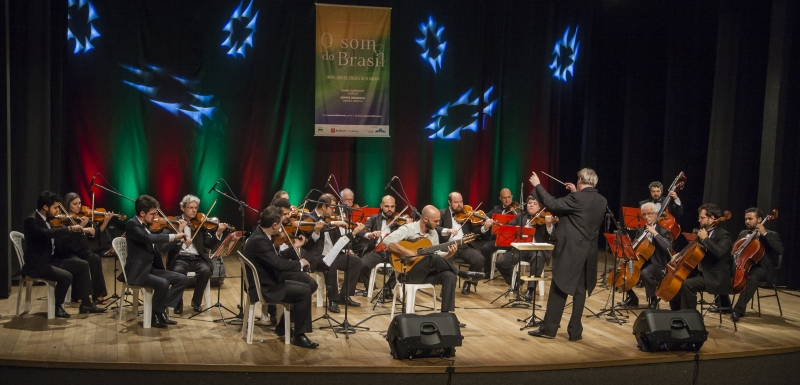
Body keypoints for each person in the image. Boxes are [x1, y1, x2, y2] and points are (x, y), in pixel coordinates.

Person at [526, 169, 607, 341]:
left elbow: (553, 204)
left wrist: (537, 185)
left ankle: (549, 329)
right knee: (579, 292)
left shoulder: (577, 198)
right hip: (588, 252)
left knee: (558, 286)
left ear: (579, 180)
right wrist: (575, 194)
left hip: (571, 251)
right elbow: (582, 210)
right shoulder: (602, 200)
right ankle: (575, 331)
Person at [383, 205, 484, 317]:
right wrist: (407, 252)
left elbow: (437, 256)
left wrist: (448, 254)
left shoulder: (433, 233)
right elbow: (388, 240)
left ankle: (446, 316)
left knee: (449, 275)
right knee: (431, 258)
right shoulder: (408, 229)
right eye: (435, 221)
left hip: (426, 274)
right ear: (425, 219)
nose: (438, 223)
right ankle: (462, 273)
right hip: (408, 274)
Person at [243, 206, 318, 348]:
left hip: (269, 276)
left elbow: (276, 259)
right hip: (266, 286)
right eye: (280, 224)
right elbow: (278, 264)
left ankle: (283, 325)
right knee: (305, 291)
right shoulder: (260, 241)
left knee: (311, 284)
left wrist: (295, 248)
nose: (282, 227)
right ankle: (299, 335)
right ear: (274, 225)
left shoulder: (262, 235)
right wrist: (300, 263)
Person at [22, 191, 106, 317]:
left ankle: (86, 304)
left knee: (82, 265)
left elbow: (56, 234)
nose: (57, 211)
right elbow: (45, 234)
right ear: (45, 207)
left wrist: (79, 229)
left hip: (49, 260)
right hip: (36, 264)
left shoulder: (47, 220)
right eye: (55, 207)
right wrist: (70, 228)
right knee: (66, 276)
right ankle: (57, 307)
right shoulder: (32, 220)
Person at [121, 195, 188, 328]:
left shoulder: (147, 225)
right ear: (142, 213)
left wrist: (177, 239)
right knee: (163, 283)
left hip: (149, 269)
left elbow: (162, 248)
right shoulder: (132, 225)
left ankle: (158, 310)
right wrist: (173, 235)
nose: (155, 217)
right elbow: (148, 238)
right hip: (138, 272)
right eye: (152, 214)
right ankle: (156, 314)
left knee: (182, 279)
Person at [164, 194, 228, 314]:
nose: (194, 210)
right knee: (178, 272)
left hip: (198, 258)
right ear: (182, 208)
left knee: (205, 271)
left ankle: (196, 302)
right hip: (180, 258)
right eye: (190, 207)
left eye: (195, 208)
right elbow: (165, 246)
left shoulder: (200, 223)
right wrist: (180, 232)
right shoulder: (174, 222)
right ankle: (178, 303)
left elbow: (208, 244)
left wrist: (218, 232)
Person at [301, 193, 365, 313]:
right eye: (332, 207)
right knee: (330, 263)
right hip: (315, 257)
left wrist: (354, 233)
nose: (334, 210)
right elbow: (307, 245)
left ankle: (344, 296)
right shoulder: (308, 217)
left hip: (333, 255)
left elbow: (342, 242)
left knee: (355, 261)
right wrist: (329, 225)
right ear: (324, 206)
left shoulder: (331, 219)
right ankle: (333, 300)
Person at [719, 208, 782, 322]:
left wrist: (764, 234)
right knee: (721, 269)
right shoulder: (743, 233)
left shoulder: (772, 234)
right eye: (746, 219)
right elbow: (734, 249)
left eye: (750, 219)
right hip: (745, 264)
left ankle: (738, 310)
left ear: (759, 219)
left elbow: (780, 250)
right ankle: (724, 305)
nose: (747, 221)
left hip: (763, 268)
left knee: (751, 278)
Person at [667, 203, 732, 311]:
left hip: (715, 276)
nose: (699, 220)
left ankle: (689, 317)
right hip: (702, 273)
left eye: (702, 218)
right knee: (676, 282)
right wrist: (679, 255)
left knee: (688, 285)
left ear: (711, 219)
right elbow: (692, 250)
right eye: (699, 217)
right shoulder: (704, 232)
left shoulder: (723, 235)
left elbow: (720, 252)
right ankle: (676, 313)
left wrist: (706, 239)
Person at [54, 192, 110, 304]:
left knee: (95, 258)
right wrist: (82, 227)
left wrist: (105, 222)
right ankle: (80, 295)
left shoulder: (81, 218)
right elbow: (66, 240)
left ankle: (98, 294)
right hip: (67, 252)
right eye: (75, 204)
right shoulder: (63, 220)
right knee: (79, 263)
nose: (78, 206)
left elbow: (93, 235)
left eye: (79, 203)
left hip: (80, 251)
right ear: (68, 205)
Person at [495, 196, 555, 301]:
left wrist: (549, 225)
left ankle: (530, 290)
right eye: (529, 203)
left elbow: (552, 236)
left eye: (534, 203)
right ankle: (517, 282)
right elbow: (509, 228)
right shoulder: (520, 216)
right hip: (521, 249)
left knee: (538, 257)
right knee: (501, 262)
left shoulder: (544, 218)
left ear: (540, 207)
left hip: (536, 250)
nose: (531, 205)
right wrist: (514, 228)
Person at [617, 202, 672, 309]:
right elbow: (634, 247)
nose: (647, 217)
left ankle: (653, 300)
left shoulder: (663, 231)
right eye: (644, 214)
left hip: (657, 263)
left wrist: (654, 233)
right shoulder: (641, 230)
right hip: (641, 261)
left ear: (656, 214)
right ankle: (632, 297)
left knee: (645, 273)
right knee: (616, 270)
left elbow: (668, 248)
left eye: (649, 214)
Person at [437, 192, 493, 294]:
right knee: (447, 259)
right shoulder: (442, 213)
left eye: (461, 202)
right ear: (449, 202)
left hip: (465, 245)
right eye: (456, 202)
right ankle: (447, 287)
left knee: (479, 259)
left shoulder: (468, 214)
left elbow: (474, 231)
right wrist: (447, 230)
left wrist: (484, 227)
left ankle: (468, 283)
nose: (459, 205)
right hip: (449, 245)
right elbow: (435, 227)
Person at [357, 195, 401, 298]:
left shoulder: (399, 221)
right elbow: (361, 231)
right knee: (362, 264)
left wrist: (408, 225)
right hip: (377, 252)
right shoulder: (374, 218)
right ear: (381, 206)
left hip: (394, 252)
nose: (390, 209)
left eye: (392, 206)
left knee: (406, 265)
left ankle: (388, 288)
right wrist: (370, 234)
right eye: (386, 206)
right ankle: (370, 288)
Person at [480, 188, 519, 274]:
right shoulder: (496, 209)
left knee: (510, 255)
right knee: (485, 248)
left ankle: (508, 272)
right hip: (498, 239)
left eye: (509, 197)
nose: (507, 200)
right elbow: (485, 216)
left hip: (512, 240)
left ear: (512, 197)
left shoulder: (517, 210)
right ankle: (488, 272)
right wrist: (488, 221)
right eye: (504, 198)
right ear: (500, 198)